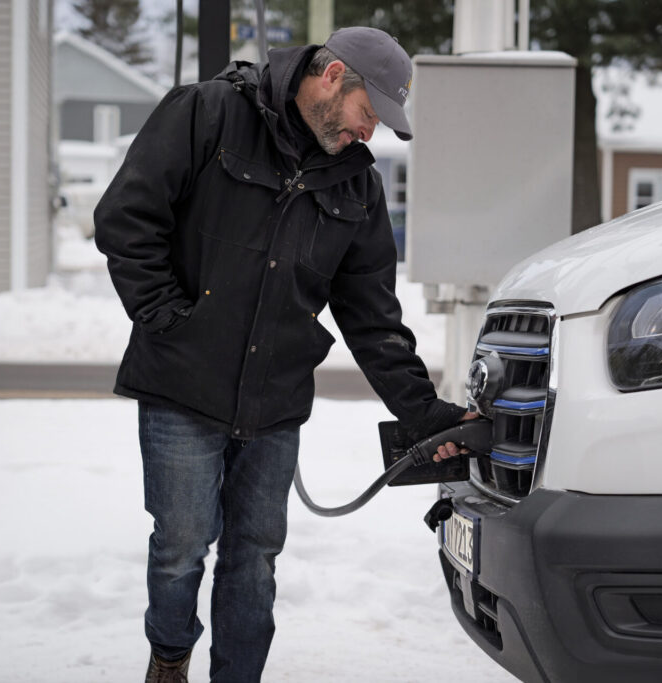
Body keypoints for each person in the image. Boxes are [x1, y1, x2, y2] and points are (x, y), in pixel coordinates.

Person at [94, 26, 473, 683]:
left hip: (275, 400)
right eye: (367, 114)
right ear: (333, 78)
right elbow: (126, 217)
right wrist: (167, 319)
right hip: (182, 384)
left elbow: (373, 317)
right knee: (182, 545)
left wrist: (424, 413)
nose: (369, 134)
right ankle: (170, 655)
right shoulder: (208, 113)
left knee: (256, 553)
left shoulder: (358, 187)